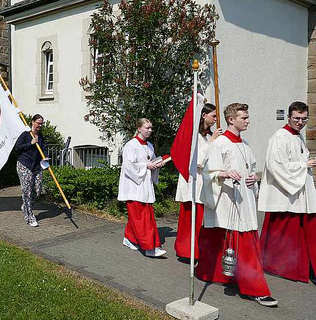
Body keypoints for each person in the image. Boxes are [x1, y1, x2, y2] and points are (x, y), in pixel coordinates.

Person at [196, 103, 277, 307]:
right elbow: (207, 173)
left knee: (230, 241)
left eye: (247, 117)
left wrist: (252, 178)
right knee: (239, 242)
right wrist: (224, 173)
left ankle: (225, 276)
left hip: (244, 198)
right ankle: (255, 289)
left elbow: (251, 167)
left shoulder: (245, 143)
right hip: (227, 199)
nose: (248, 120)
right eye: (244, 117)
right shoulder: (219, 143)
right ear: (231, 120)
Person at [258, 101, 316, 283]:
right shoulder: (279, 137)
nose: (300, 122)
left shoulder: (297, 136)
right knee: (285, 231)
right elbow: (275, 166)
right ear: (289, 117)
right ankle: (281, 266)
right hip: (285, 193)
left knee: (304, 229)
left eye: (304, 118)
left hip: (300, 190)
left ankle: (303, 267)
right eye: (297, 118)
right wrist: (303, 165)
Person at [173, 103, 221, 260]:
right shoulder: (196, 136)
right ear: (203, 115)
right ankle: (187, 251)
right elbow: (197, 160)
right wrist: (212, 141)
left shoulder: (208, 135)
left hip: (205, 180)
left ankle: (199, 251)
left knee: (202, 220)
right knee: (191, 219)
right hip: (193, 181)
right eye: (213, 116)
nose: (215, 119)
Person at [117, 118, 166, 257]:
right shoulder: (130, 145)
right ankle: (150, 247)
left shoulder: (149, 145)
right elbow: (128, 166)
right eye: (147, 128)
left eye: (151, 128)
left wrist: (157, 164)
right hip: (134, 186)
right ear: (139, 128)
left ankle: (129, 238)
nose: (150, 130)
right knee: (141, 218)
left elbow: (152, 161)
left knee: (142, 215)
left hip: (144, 184)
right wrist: (146, 166)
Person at [13, 114, 48, 227]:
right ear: (32, 122)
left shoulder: (40, 136)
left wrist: (45, 157)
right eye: (38, 123)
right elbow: (17, 148)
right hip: (24, 165)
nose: (40, 125)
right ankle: (29, 216)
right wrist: (30, 143)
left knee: (37, 190)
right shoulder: (25, 135)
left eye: (41, 123)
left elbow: (43, 148)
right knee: (27, 191)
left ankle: (26, 205)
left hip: (36, 167)